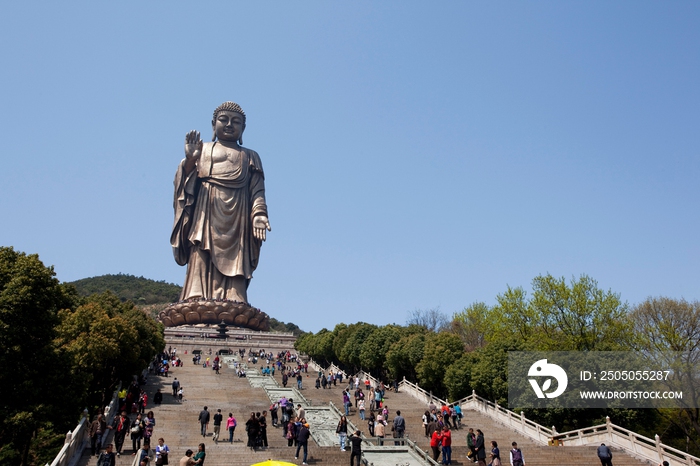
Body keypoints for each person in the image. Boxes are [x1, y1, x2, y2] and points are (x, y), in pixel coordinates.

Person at [171, 101, 271, 304]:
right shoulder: (204, 149)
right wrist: (190, 161)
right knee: (199, 246)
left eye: (236, 122)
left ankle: (235, 296)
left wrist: (259, 214)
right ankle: (195, 294)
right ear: (213, 124)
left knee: (238, 255)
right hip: (205, 211)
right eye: (223, 120)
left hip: (238, 216)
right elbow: (185, 182)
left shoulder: (250, 156)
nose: (229, 124)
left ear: (243, 129)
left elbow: (257, 190)